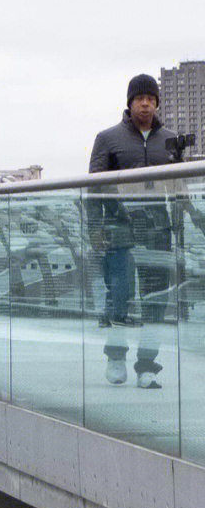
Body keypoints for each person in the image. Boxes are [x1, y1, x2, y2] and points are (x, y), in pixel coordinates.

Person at [88, 74, 177, 388]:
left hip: (158, 229)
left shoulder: (169, 138)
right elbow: (94, 186)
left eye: (151, 98)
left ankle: (147, 365)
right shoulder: (108, 138)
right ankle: (115, 357)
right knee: (120, 296)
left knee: (155, 301)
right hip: (120, 229)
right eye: (140, 98)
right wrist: (95, 228)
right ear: (129, 102)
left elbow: (177, 188)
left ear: (156, 103)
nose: (145, 103)